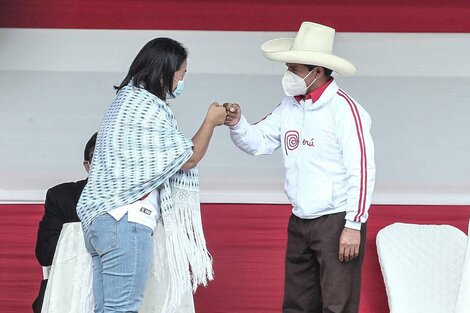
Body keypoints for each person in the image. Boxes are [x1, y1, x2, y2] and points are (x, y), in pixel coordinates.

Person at [224, 21, 376, 313]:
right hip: (300, 219)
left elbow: (362, 168)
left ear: (316, 71)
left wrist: (354, 224)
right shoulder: (289, 106)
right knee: (297, 304)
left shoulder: (345, 110)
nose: (288, 76)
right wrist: (237, 123)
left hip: (336, 220)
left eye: (294, 70)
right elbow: (259, 141)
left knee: (337, 304)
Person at [76, 37, 226, 313]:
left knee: (106, 310)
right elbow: (187, 157)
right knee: (122, 309)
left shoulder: (125, 102)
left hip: (101, 220)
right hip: (125, 221)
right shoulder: (144, 108)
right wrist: (210, 122)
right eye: (181, 74)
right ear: (164, 75)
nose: (182, 81)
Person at [33, 132, 97, 313]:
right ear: (87, 165)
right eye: (101, 159)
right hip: (68, 292)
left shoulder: (137, 199)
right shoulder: (62, 196)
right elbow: (45, 253)